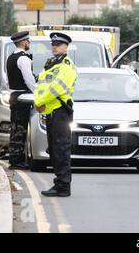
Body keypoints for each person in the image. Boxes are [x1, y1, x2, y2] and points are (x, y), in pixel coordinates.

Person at [34, 33, 77, 197]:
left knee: (61, 149)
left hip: (60, 111)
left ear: (66, 47)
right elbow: (41, 87)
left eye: (58, 44)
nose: (54, 46)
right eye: (53, 44)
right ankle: (60, 183)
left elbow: (56, 89)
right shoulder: (51, 65)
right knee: (53, 149)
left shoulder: (66, 66)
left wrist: (39, 102)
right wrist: (38, 102)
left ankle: (63, 186)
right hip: (51, 111)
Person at [6, 31, 36, 170]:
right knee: (20, 129)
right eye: (28, 40)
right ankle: (17, 160)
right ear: (23, 42)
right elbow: (29, 80)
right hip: (22, 97)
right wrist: (37, 94)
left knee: (15, 127)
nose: (29, 42)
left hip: (13, 95)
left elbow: (8, 80)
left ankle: (14, 158)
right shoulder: (24, 59)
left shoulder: (11, 57)